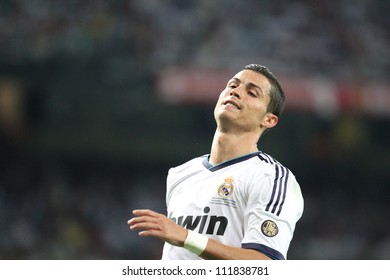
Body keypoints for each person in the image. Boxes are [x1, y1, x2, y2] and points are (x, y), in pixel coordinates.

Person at [127, 64, 304, 260]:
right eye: (232, 85)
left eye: (252, 93)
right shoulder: (180, 174)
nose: (236, 92)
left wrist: (186, 237)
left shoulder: (271, 178)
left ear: (269, 120)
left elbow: (265, 264)